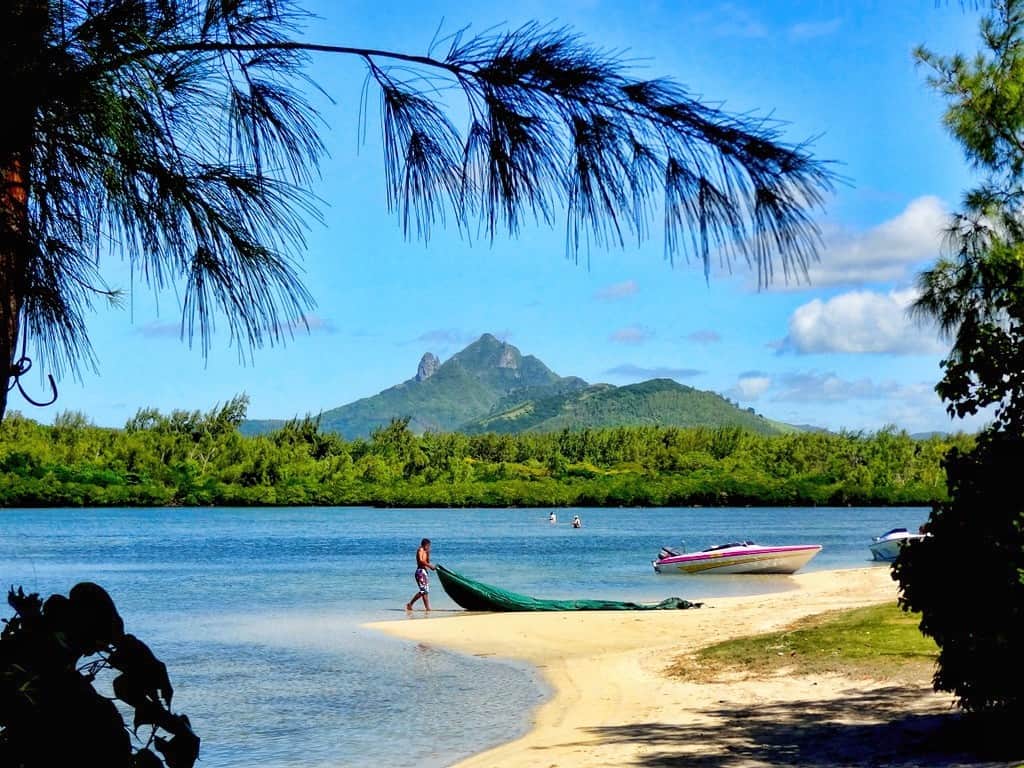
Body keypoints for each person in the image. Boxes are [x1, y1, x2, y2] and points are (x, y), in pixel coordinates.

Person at [406, 538, 436, 612]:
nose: (429, 547)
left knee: (425, 591)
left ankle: (427, 608)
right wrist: (430, 566)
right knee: (423, 590)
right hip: (420, 572)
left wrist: (428, 553)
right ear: (425, 545)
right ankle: (410, 604)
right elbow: (421, 561)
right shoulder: (420, 550)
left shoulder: (425, 551)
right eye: (428, 546)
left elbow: (427, 561)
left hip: (424, 572)